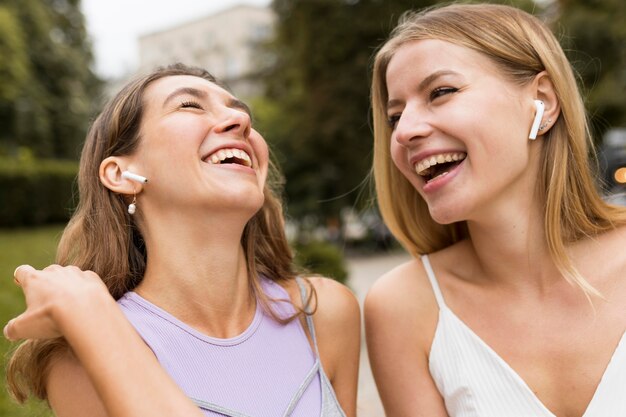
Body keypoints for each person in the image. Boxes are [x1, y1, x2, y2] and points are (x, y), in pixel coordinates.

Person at [4, 63, 360, 417]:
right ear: (121, 174)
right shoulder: (78, 361)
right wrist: (93, 321)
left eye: (240, 111)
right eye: (190, 105)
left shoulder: (323, 313)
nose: (242, 122)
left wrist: (90, 315)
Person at [365, 3, 626, 417]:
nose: (405, 131)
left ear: (541, 101)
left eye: (441, 92)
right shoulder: (404, 308)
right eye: (395, 116)